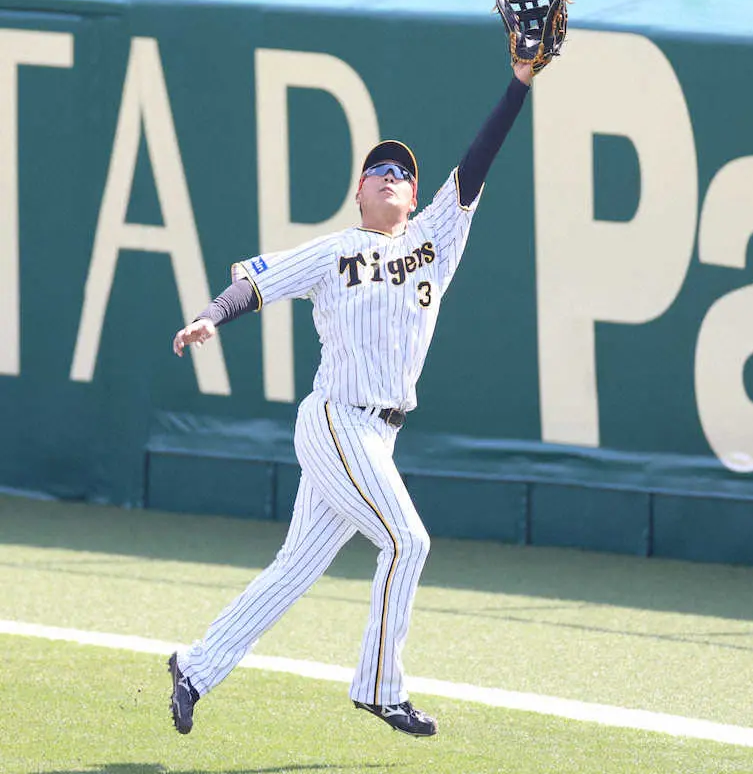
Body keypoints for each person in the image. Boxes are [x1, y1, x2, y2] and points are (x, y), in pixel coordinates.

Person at [168, 59, 535, 739]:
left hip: (379, 434)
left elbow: (477, 164)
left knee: (294, 569)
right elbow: (258, 283)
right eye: (379, 171)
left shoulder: (435, 239)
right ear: (359, 193)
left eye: (403, 173)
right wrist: (212, 316)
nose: (392, 177)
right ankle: (378, 688)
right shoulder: (336, 250)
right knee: (407, 541)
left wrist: (519, 83)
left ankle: (194, 666)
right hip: (337, 419)